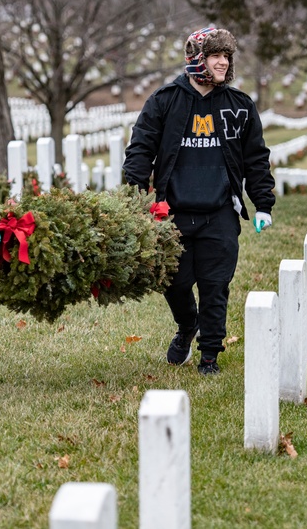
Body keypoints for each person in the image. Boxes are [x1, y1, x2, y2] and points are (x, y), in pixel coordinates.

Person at [123, 27, 275, 375]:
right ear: (197, 59)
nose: (223, 61)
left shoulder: (239, 106)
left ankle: (209, 354)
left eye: (227, 55)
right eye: (216, 54)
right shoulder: (164, 101)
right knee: (172, 282)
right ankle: (186, 325)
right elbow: (141, 149)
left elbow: (256, 157)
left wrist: (263, 203)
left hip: (219, 212)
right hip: (173, 212)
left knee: (214, 285)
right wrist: (134, 197)